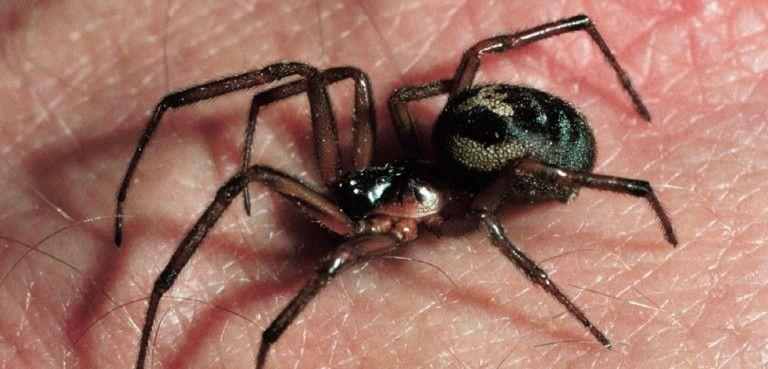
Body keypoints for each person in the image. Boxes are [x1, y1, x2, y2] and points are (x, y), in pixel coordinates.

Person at [0, 1, 763, 368]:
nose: (348, 192)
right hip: (476, 140)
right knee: (312, 85)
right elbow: (298, 85)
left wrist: (269, 337)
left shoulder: (457, 202)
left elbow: (502, 191)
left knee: (339, 254)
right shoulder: (375, 157)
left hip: (525, 155)